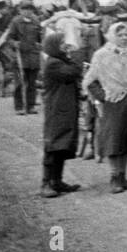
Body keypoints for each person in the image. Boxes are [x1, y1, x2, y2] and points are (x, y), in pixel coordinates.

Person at [83, 21, 127, 193]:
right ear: (112, 36)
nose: (124, 37)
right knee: (114, 138)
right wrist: (103, 97)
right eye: (120, 35)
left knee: (126, 138)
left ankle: (122, 175)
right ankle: (114, 177)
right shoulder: (102, 55)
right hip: (113, 101)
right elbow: (91, 80)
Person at [39, 31, 83, 198]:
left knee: (62, 144)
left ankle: (56, 181)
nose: (66, 44)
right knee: (53, 145)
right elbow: (74, 72)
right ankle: (46, 183)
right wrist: (76, 53)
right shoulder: (53, 63)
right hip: (57, 109)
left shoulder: (59, 61)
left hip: (64, 108)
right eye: (62, 42)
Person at [1, 0, 42, 114]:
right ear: (20, 10)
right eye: (25, 9)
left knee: (32, 83)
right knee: (19, 83)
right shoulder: (16, 22)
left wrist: (40, 44)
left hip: (33, 57)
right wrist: (15, 43)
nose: (28, 12)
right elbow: (9, 38)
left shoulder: (36, 21)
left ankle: (31, 106)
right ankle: (19, 107)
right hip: (20, 57)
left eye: (30, 9)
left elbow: (40, 38)